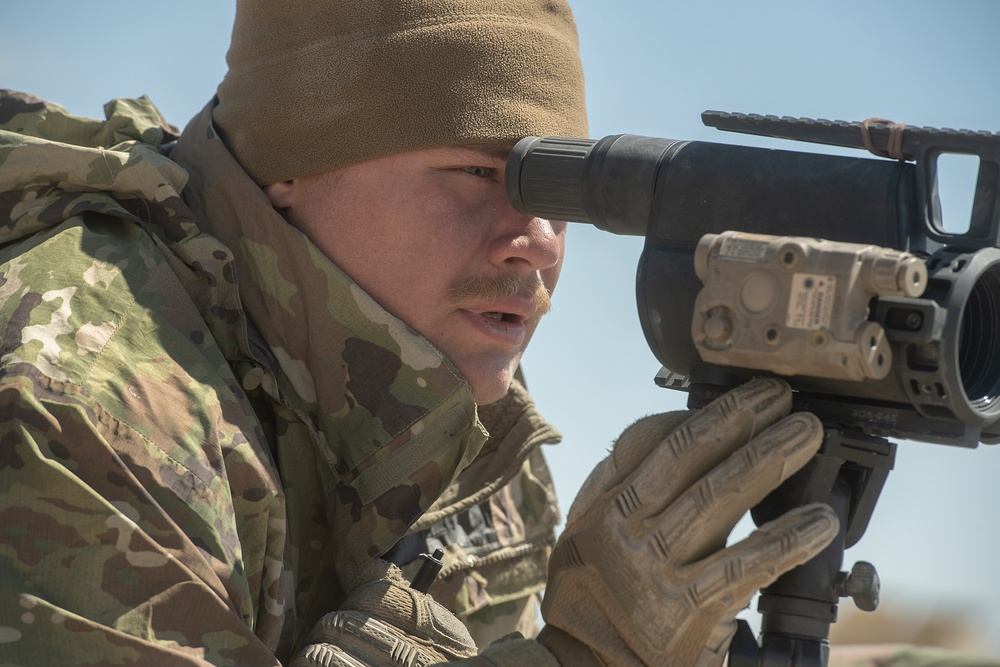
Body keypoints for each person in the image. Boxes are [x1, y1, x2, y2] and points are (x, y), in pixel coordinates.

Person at [0, 1, 991, 666]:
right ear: (289, 167)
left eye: (557, 190)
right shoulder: (83, 402)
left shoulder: (454, 427)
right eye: (478, 175)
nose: (534, 243)